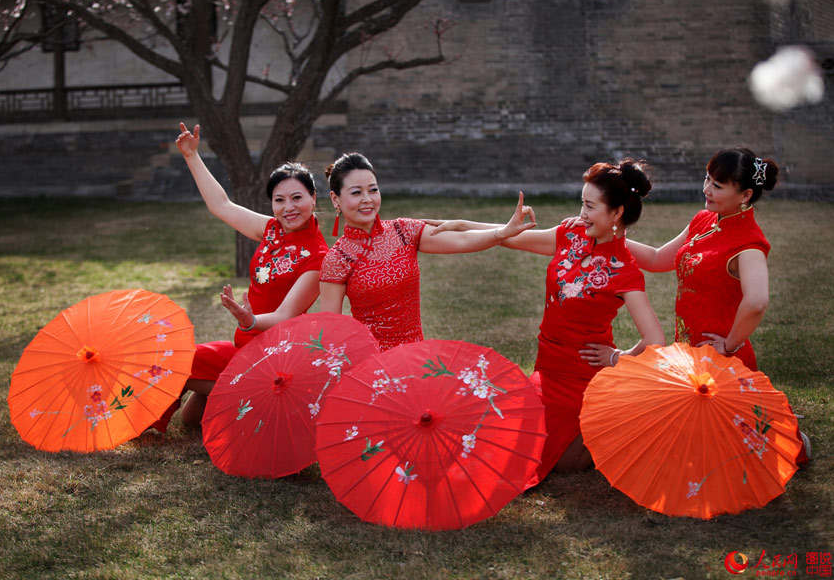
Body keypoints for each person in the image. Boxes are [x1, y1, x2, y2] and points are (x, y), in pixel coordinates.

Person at [430, 158, 666, 482]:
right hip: (547, 367)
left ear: (617, 213)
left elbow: (656, 341)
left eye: (589, 206)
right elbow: (513, 237)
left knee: (555, 463)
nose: (581, 213)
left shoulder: (624, 271)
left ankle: (612, 421)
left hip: (581, 377)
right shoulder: (572, 233)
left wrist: (617, 357)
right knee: (500, 437)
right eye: (581, 203)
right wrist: (461, 223)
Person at [624, 147, 810, 461]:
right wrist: (609, 237)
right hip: (688, 352)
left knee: (751, 448)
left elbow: (756, 301)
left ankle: (795, 438)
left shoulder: (749, 243)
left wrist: (730, 344)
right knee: (689, 444)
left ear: (746, 194)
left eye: (718, 186)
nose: (705, 189)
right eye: (707, 179)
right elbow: (658, 259)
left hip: (723, 359)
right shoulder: (704, 220)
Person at [153, 122, 329, 429]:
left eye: (297, 198)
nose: (289, 208)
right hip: (242, 345)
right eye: (279, 200)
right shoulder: (271, 230)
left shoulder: (318, 256)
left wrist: (249, 320)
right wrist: (192, 156)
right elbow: (221, 205)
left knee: (192, 398)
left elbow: (286, 315)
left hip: (272, 358)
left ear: (314, 198)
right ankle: (179, 414)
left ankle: (257, 404)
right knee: (191, 416)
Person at [318, 152, 537, 351]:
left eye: (373, 190)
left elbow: (461, 240)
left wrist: (502, 232)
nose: (367, 199)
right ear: (335, 199)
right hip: (370, 364)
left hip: (415, 357)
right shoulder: (337, 259)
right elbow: (331, 331)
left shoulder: (403, 231)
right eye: (356, 193)